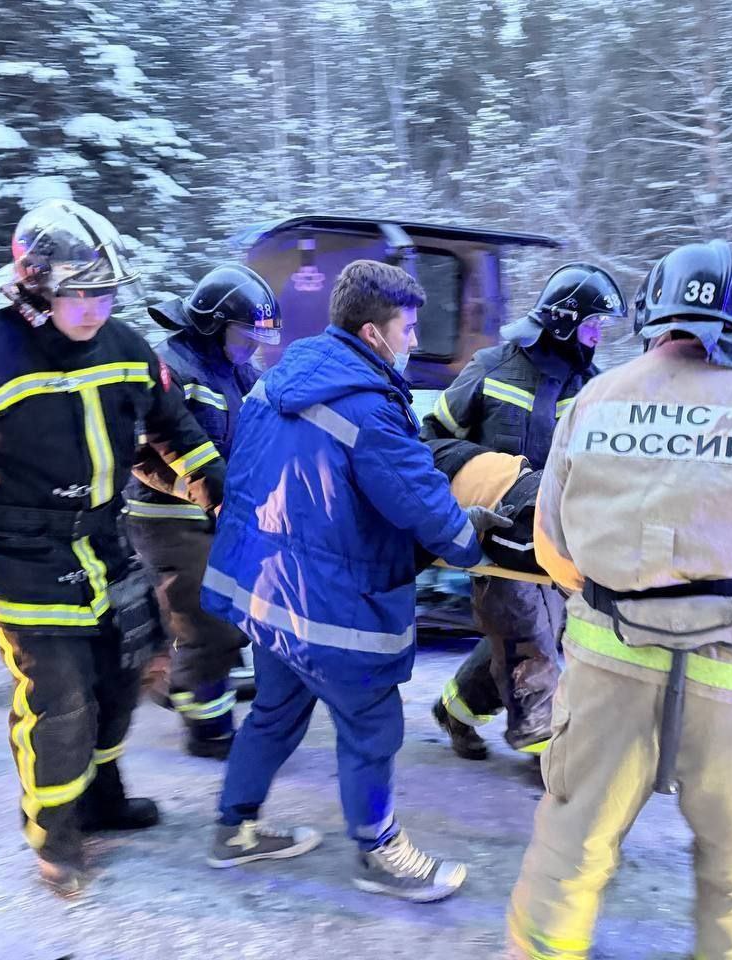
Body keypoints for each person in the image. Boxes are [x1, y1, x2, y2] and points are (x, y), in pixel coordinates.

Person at [0, 198, 226, 896]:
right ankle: (55, 831)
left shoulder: (123, 346)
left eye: (105, 292)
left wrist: (213, 484)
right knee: (59, 702)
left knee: (120, 683)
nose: (93, 309)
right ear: (32, 287)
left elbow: (170, 424)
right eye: (77, 294)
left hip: (107, 549)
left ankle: (101, 796)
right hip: (19, 559)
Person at [508, 240, 732, 960]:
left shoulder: (594, 401)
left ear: (651, 313)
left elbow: (552, 548)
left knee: (570, 846)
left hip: (609, 667)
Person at [201, 259, 508, 903]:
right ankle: (380, 851)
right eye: (408, 328)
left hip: (267, 591)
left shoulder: (279, 377)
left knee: (275, 712)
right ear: (373, 334)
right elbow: (427, 509)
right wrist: (469, 530)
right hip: (333, 607)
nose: (415, 342)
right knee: (370, 728)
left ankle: (234, 830)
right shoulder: (368, 409)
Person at [421, 263, 626, 760]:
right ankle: (541, 738)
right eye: (592, 324)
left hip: (556, 538)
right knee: (525, 632)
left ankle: (459, 709)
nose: (598, 336)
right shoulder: (491, 368)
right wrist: (481, 483)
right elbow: (432, 440)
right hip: (497, 534)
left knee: (536, 630)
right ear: (562, 322)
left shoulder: (593, 389)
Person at [126, 263, 279, 758]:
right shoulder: (171, 368)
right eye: (246, 334)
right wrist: (200, 492)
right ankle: (207, 730)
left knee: (235, 611)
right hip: (166, 519)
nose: (255, 345)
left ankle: (182, 681)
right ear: (214, 324)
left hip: (222, 512)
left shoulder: (235, 368)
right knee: (209, 618)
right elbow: (140, 454)